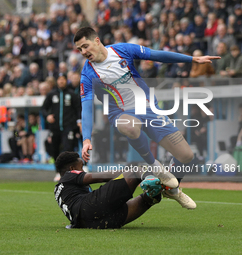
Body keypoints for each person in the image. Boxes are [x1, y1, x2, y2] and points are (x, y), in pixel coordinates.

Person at [74, 27, 220, 209]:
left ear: (97, 40)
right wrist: (87, 138)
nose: (84, 52)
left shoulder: (122, 50)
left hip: (148, 109)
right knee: (130, 126)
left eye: (85, 46)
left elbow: (157, 55)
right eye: (79, 50)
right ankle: (154, 165)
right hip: (121, 114)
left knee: (186, 156)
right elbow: (86, 107)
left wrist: (192, 59)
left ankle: (172, 190)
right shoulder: (88, 74)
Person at [54, 151, 164, 229]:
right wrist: (128, 172)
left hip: (87, 223)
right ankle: (152, 178)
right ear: (72, 169)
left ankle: (153, 194)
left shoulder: (59, 188)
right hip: (88, 208)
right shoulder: (69, 175)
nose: (83, 170)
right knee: (136, 170)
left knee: (148, 199)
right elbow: (100, 176)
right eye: (81, 166)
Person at [41, 74, 82, 182]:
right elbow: (44, 108)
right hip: (55, 128)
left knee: (67, 149)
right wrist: (47, 116)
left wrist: (79, 122)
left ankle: (68, 173)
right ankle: (58, 172)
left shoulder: (72, 94)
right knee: (55, 150)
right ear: (57, 81)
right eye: (59, 80)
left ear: (66, 81)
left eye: (63, 80)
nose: (61, 82)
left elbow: (78, 109)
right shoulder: (51, 94)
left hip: (69, 127)